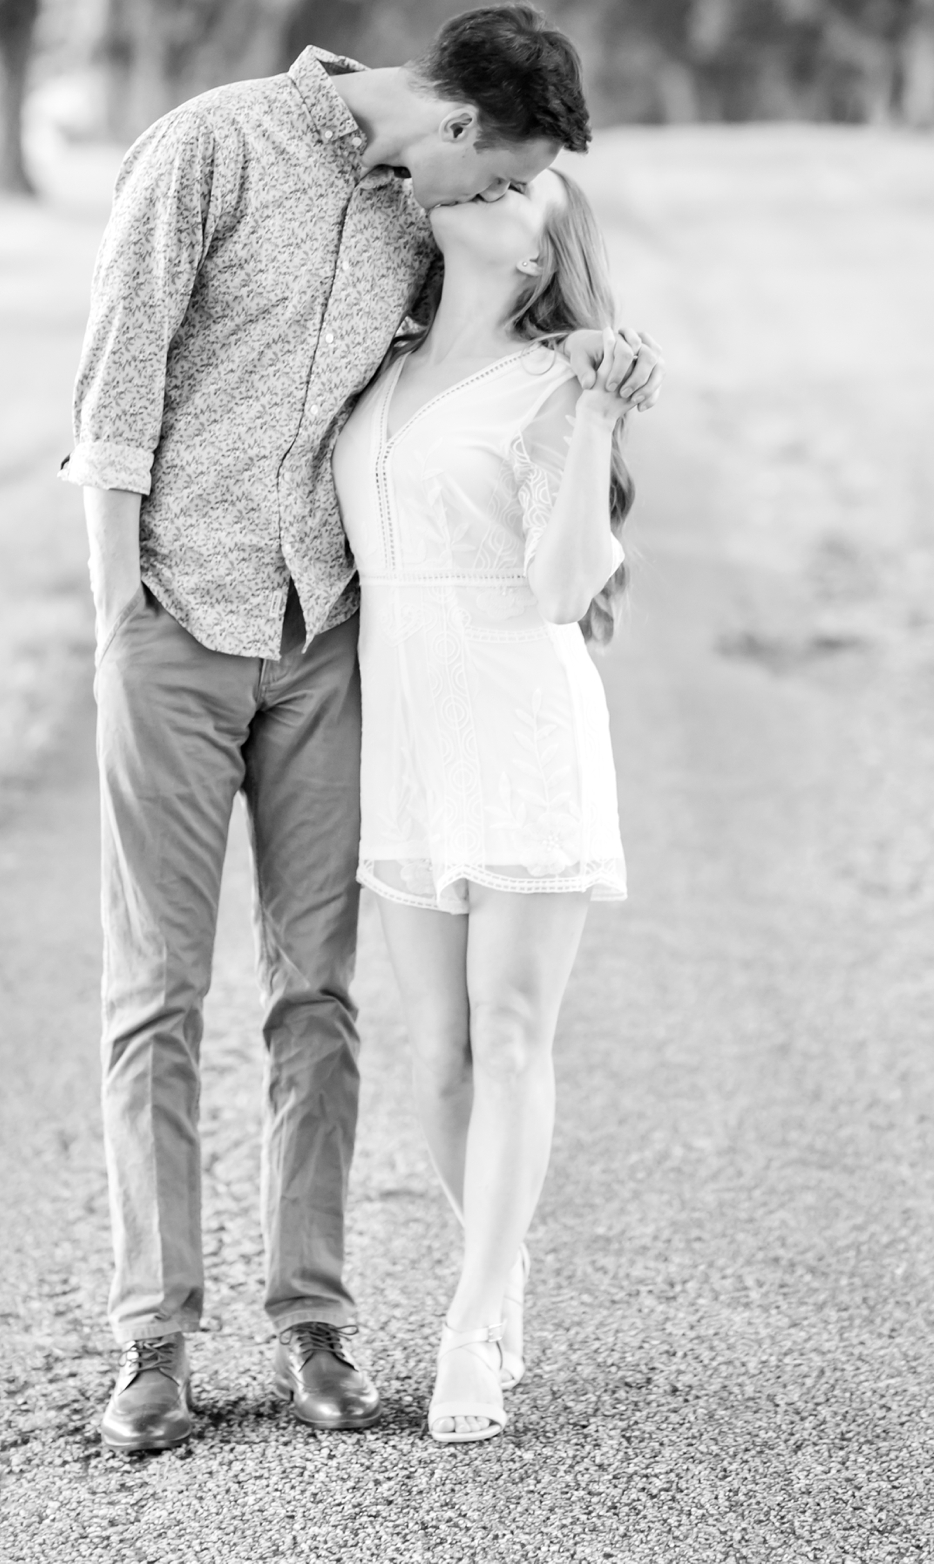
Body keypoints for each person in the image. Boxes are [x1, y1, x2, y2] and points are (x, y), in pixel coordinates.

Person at [59, 4, 662, 1454]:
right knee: (158, 986)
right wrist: (116, 624)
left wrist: (604, 377)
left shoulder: (418, 216)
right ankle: (155, 1337)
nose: (481, 199)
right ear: (460, 130)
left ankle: (313, 1323)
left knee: (317, 996)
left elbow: (517, 351)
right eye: (497, 171)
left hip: (326, 643)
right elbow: (115, 388)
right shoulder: (211, 145)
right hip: (178, 624)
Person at [333, 166, 640, 1442]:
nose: (486, 184)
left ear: (538, 254)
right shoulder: (375, 360)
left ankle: (467, 1328)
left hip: (518, 715)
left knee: (510, 1033)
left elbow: (567, 587)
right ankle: (497, 1268)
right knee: (440, 1058)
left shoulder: (555, 382)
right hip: (404, 728)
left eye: (521, 186)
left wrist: (599, 419)